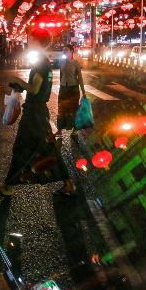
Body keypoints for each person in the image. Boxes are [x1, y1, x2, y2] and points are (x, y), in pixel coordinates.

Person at [0, 29, 72, 197]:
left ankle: (8, 186)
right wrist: (20, 87)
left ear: (36, 41)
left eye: (30, 38)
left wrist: (18, 81)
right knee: (46, 147)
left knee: (22, 147)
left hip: (34, 112)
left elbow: (34, 88)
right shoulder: (44, 61)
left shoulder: (40, 63)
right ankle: (68, 183)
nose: (28, 40)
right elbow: (36, 88)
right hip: (38, 110)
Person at [53, 44, 87, 195]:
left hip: (73, 90)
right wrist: (60, 85)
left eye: (67, 50)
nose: (64, 53)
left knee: (72, 111)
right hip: (63, 89)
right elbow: (60, 75)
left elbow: (80, 78)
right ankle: (59, 130)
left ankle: (74, 130)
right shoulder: (61, 63)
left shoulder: (76, 63)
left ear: (72, 51)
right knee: (61, 109)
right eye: (63, 51)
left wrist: (84, 92)